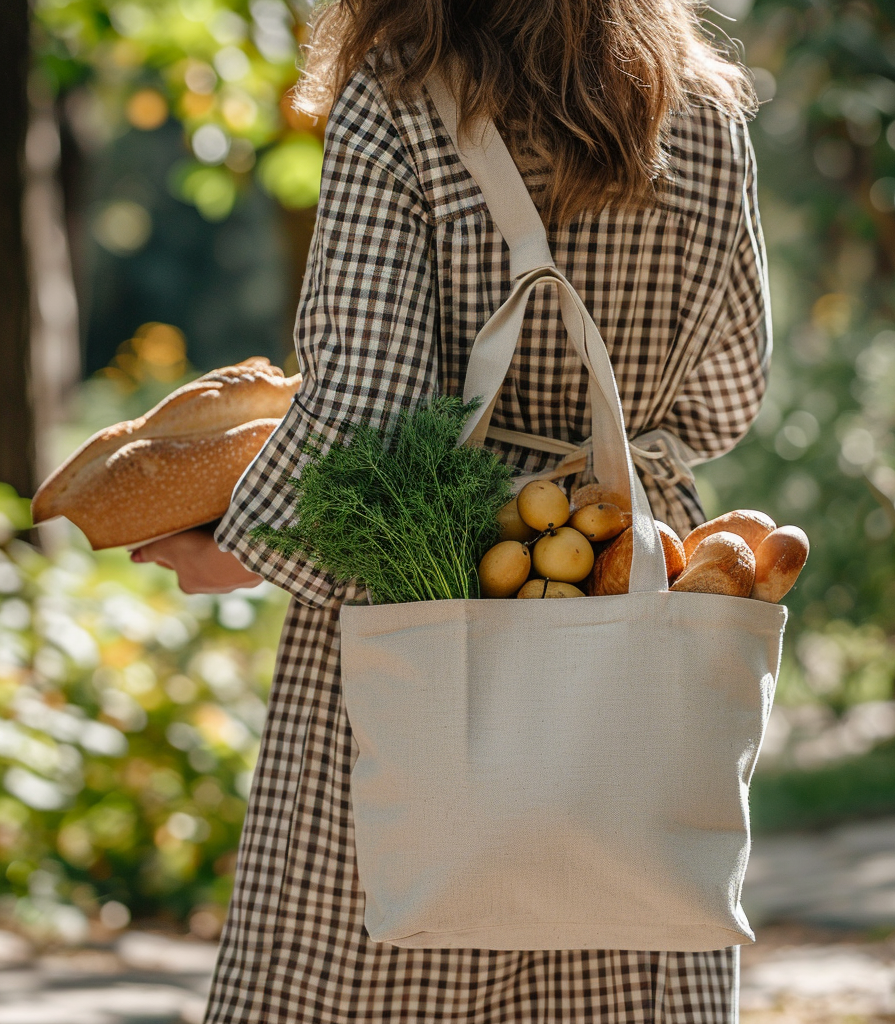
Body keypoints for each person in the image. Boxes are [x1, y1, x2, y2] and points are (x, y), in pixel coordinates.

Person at [132, 0, 770, 1019]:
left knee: (374, 947)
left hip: (425, 593)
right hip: (625, 575)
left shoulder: (402, 94)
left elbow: (369, 424)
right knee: (631, 930)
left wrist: (240, 549)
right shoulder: (700, 106)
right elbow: (725, 398)